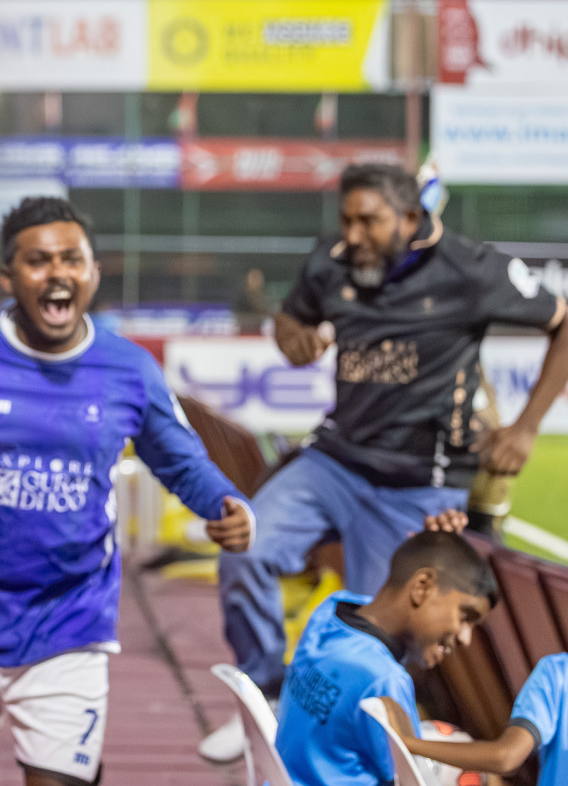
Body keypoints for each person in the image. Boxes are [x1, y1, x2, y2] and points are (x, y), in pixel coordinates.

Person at [201, 162, 568, 762]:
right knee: (244, 545)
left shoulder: (472, 268)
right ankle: (265, 691)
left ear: (409, 217)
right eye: (345, 219)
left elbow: (564, 321)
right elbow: (292, 319)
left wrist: (526, 428)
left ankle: (382, 753)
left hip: (419, 482)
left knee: (384, 634)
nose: (352, 234)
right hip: (335, 460)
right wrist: (290, 335)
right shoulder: (333, 259)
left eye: (368, 221)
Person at [0, 196, 253, 786]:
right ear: (8, 276)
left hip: (70, 621)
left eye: (73, 259)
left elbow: (180, 457)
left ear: (94, 272)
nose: (58, 272)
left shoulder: (129, 369)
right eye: (39, 261)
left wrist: (227, 504)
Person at [275, 530, 496, 786]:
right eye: (465, 616)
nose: (465, 638)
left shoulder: (330, 610)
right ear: (422, 586)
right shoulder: (385, 680)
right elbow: (408, 779)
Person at [390, 651, 566, 781]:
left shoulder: (558, 671)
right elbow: (505, 757)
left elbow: (506, 757)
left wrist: (407, 743)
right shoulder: (558, 673)